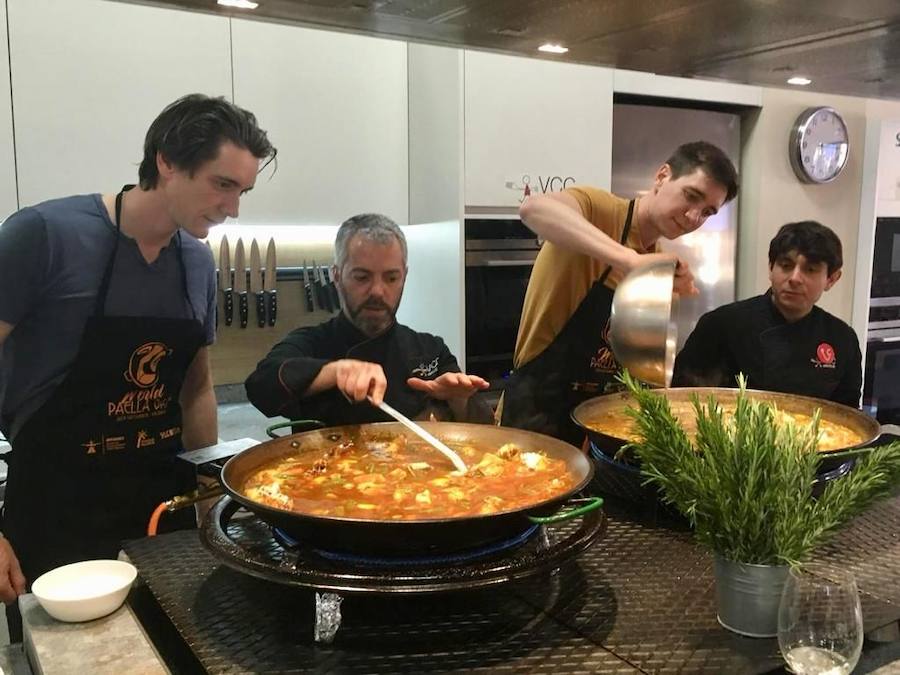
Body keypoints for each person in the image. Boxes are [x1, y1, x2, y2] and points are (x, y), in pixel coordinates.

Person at [0, 94, 276, 631]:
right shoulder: (44, 237)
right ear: (167, 161)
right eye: (223, 185)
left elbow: (195, 391)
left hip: (159, 508)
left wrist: (208, 507)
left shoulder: (196, 263)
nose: (233, 208)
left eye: (242, 191)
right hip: (56, 512)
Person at [500, 141, 739, 445]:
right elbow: (534, 209)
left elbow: (644, 371)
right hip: (533, 416)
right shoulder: (601, 210)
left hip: (595, 426)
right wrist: (629, 261)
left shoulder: (660, 262)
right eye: (691, 196)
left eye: (707, 212)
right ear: (662, 176)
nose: (694, 217)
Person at [246, 213, 492, 427]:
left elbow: (483, 433)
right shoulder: (310, 342)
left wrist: (457, 398)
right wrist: (335, 371)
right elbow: (260, 386)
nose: (377, 291)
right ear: (337, 276)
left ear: (404, 276)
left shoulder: (431, 350)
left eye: (391, 278)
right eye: (362, 277)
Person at [672, 220, 862, 407]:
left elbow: (847, 415)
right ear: (771, 268)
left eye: (810, 269)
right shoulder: (721, 325)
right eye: (786, 266)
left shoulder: (842, 339)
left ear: (831, 279)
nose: (795, 278)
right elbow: (680, 399)